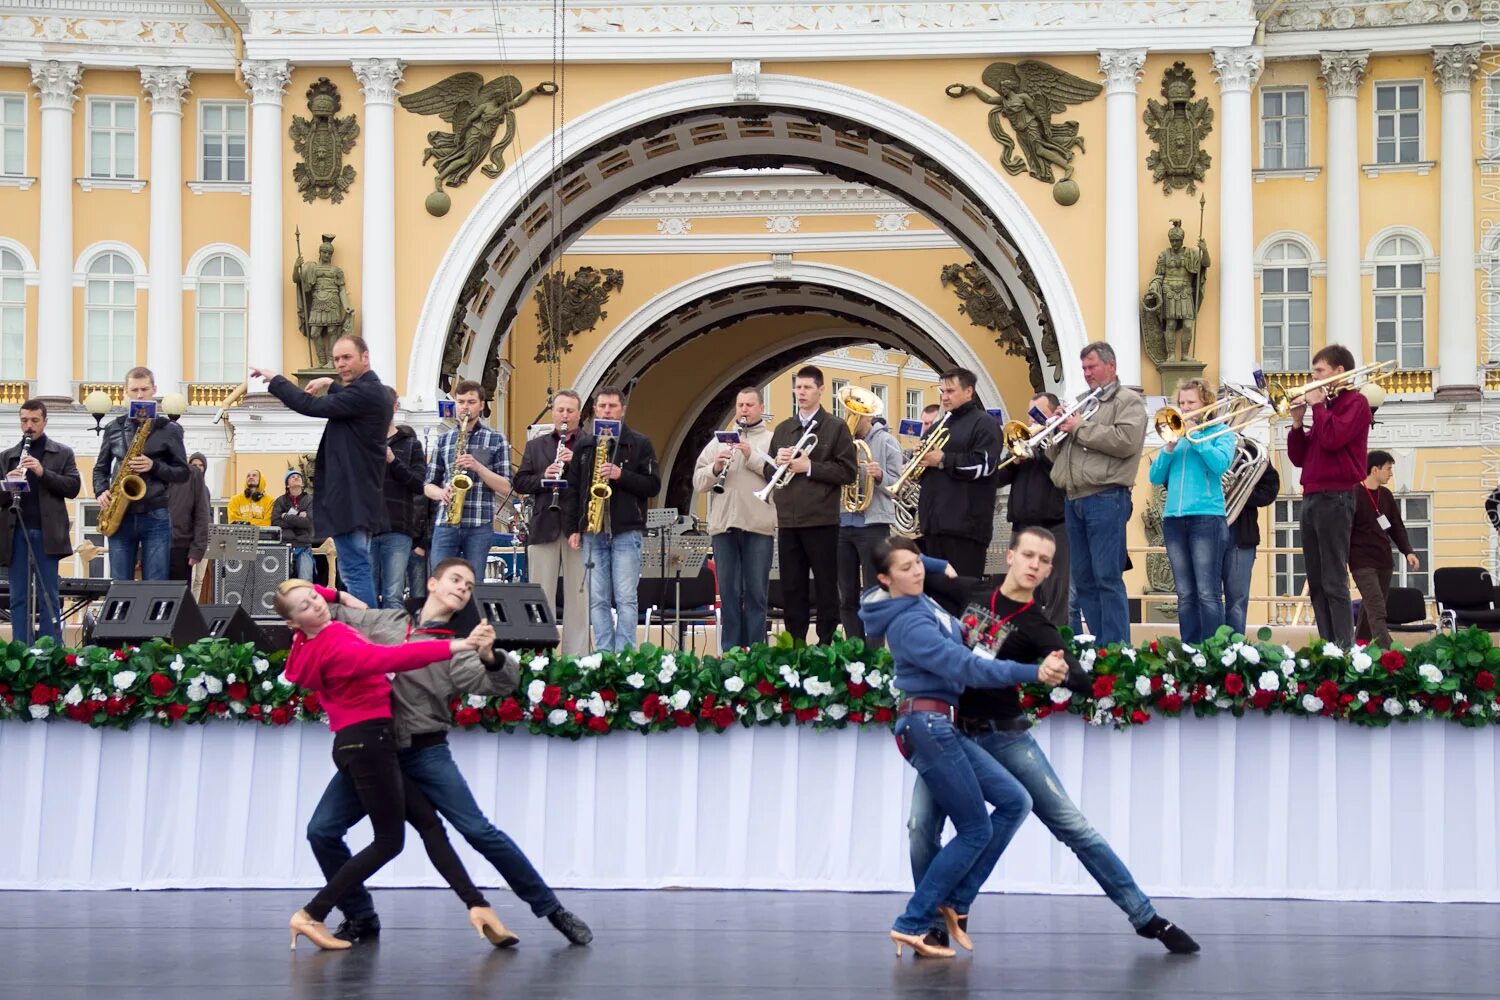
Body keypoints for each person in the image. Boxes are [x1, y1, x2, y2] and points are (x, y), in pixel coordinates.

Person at [913, 527, 1200, 955]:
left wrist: (1058, 669)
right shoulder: (972, 593)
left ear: (1049, 569)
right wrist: (940, 564)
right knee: (921, 827)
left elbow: (1084, 681)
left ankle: (1146, 917)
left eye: (1044, 560)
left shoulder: (1037, 625)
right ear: (1009, 557)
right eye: (1028, 555)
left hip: (1005, 737)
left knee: (1073, 827)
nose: (1035, 565)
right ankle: (937, 919)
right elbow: (907, 564)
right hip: (951, 736)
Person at [306, 557, 593, 947]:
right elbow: (317, 606)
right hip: (374, 752)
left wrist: (493, 656)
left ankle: (551, 909)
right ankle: (360, 915)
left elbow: (501, 683)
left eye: (469, 586)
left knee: (477, 830)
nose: (462, 588)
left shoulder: (457, 649)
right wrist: (336, 592)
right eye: (456, 579)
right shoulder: (384, 622)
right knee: (321, 831)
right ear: (432, 583)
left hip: (424, 753)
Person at [275, 578, 514, 952]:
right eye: (306, 607)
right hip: (368, 744)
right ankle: (311, 913)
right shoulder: (334, 643)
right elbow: (395, 658)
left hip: (370, 742)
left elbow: (311, 597)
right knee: (388, 842)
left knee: (430, 825)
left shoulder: (307, 641)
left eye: (314, 598)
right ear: (294, 623)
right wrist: (459, 645)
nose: (316, 606)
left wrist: (333, 594)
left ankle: (478, 906)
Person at [859, 535, 1066, 960]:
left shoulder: (913, 595)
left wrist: (933, 562)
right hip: (927, 726)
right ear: (885, 579)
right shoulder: (908, 623)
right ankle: (914, 922)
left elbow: (919, 568)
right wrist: (1033, 671)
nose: (916, 572)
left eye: (917, 564)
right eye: (905, 569)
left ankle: (955, 902)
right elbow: (966, 666)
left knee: (1014, 800)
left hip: (939, 725)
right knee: (972, 829)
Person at [251, 336, 390, 608]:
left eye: (347, 357)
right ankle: (366, 627)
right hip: (355, 496)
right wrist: (330, 383)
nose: (340, 364)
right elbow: (348, 402)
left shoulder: (367, 392)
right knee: (354, 568)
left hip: (351, 497)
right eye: (337, 359)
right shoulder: (369, 392)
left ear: (365, 357)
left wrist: (277, 380)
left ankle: (367, 629)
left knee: (355, 569)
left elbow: (310, 405)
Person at [1046, 343, 1147, 645]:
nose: (1087, 373)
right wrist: (1056, 430)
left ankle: (1116, 648)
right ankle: (1100, 644)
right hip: (1074, 498)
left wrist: (1078, 427)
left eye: (1092, 367)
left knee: (1107, 577)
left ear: (1111, 366)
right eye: (1084, 368)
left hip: (1106, 497)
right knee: (1085, 579)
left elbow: (1125, 441)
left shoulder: (1128, 401)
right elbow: (1056, 457)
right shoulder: (1082, 403)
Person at [562, 386, 660, 653]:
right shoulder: (585, 444)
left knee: (626, 598)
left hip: (626, 531)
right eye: (602, 406)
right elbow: (572, 490)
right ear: (595, 410)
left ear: (622, 410)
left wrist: (620, 475)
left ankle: (626, 655)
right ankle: (604, 654)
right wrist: (573, 528)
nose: (607, 411)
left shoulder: (639, 443)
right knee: (597, 599)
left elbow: (653, 485)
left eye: (612, 406)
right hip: (592, 530)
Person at [1286, 344, 1371, 646]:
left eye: (1319, 372)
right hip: (1312, 497)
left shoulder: (1356, 403)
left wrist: (1318, 407)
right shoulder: (1328, 408)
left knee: (1334, 579)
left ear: (1339, 371)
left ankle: (1344, 647)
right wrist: (1297, 422)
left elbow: (1334, 439)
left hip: (1336, 497)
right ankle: (1327, 644)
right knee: (1317, 581)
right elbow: (1299, 457)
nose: (1313, 378)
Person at [767, 365, 857, 645]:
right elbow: (770, 475)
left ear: (820, 390)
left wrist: (809, 467)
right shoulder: (783, 429)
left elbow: (847, 472)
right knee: (792, 587)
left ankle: (826, 642)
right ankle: (795, 643)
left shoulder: (836, 427)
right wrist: (778, 462)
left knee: (826, 586)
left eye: (807, 387)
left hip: (822, 521)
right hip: (789, 521)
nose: (801, 392)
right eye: (798, 387)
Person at [1147, 378, 1235, 644]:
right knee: (1184, 594)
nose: (1184, 408)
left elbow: (1220, 464)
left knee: (1207, 592)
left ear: (1205, 403)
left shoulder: (1221, 432)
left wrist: (1197, 437)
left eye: (1191, 403)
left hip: (1207, 517)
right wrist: (1169, 448)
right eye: (1182, 403)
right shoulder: (1175, 436)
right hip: (1174, 519)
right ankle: (1190, 650)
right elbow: (1155, 476)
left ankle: (1213, 650)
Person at [691, 387, 777, 652]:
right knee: (728, 596)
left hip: (758, 526)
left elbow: (778, 476)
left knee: (756, 596)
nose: (744, 409)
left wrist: (750, 456)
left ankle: (756, 655)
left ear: (761, 407)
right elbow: (698, 481)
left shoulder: (772, 440)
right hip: (724, 527)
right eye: (740, 405)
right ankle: (730, 655)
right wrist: (716, 467)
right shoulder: (719, 442)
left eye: (750, 405)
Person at [94, 367, 190, 581]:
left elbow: (183, 473)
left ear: (154, 390)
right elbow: (100, 468)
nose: (139, 395)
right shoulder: (113, 428)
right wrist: (101, 491)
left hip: (155, 514)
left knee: (155, 583)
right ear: (126, 391)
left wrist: (153, 466)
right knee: (120, 582)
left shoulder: (169, 429)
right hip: (120, 514)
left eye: (144, 389)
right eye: (134, 390)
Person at [514, 391, 587, 655]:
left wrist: (576, 463)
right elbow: (520, 482)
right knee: (540, 594)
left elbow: (594, 486)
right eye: (560, 410)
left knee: (579, 598)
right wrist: (545, 476)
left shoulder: (588, 445)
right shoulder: (537, 446)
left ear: (579, 414)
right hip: (544, 525)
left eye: (570, 411)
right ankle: (539, 656)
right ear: (553, 413)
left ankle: (576, 658)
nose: (564, 415)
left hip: (578, 529)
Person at [1, 400, 80, 644]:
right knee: (19, 597)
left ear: (45, 421)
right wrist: (7, 482)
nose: (29, 426)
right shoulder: (7, 456)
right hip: (16, 534)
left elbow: (73, 487)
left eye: (34, 420)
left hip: (47, 534)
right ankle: (22, 650)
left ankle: (50, 652)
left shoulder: (62, 453)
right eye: (24, 420)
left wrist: (43, 472)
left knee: (48, 595)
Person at [915, 368, 1004, 577]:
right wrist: (918, 465)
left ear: (968, 391)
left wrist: (943, 460)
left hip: (965, 530)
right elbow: (927, 470)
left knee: (962, 593)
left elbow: (984, 465)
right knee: (936, 598)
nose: (944, 397)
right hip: (933, 527)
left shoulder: (985, 424)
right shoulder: (937, 426)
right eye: (942, 391)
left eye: (950, 391)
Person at [994, 392, 1070, 627]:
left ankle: (1057, 643)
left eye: (1037, 414)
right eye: (1030, 415)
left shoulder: (1062, 442)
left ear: (1053, 414)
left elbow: (1062, 476)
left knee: (1056, 591)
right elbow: (997, 477)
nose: (1032, 420)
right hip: (1022, 527)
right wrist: (1016, 459)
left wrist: (1044, 450)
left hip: (1054, 526)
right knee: (1020, 589)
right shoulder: (1023, 441)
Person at [426, 380, 513, 574]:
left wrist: (478, 467)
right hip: (446, 523)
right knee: (440, 581)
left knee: (474, 585)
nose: (465, 407)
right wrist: (440, 492)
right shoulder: (444, 439)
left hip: (479, 524)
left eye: (471, 402)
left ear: (481, 405)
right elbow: (427, 484)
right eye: (461, 401)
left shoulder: (496, 439)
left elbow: (507, 486)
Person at [837, 413, 903, 642]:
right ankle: (853, 647)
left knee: (875, 592)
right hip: (843, 524)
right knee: (846, 594)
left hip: (873, 524)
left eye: (856, 415)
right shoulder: (842, 441)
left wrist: (880, 475)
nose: (851, 419)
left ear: (869, 416)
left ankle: (874, 650)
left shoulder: (887, 441)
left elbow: (899, 484)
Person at [1349, 450, 1418, 649]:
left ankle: (1359, 647)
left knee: (1369, 606)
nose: (1391, 473)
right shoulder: (1354, 494)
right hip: (1361, 562)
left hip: (1384, 561)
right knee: (1377, 606)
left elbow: (1396, 526)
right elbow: (1344, 531)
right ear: (1374, 469)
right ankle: (1388, 650)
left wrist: (1408, 551)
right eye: (1388, 469)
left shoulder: (1385, 495)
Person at [373, 387, 428, 609]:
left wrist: (393, 460)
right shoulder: (361, 442)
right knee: (364, 595)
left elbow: (417, 484)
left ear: (395, 408)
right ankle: (366, 643)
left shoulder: (411, 444)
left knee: (393, 595)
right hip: (365, 527)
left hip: (397, 528)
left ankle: (394, 643)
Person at [1222, 462, 1279, 637]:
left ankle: (1234, 651)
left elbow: (1270, 489)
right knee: (1207, 598)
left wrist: (1240, 491)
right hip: (1206, 533)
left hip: (1241, 536)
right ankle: (1209, 651)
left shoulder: (1251, 452)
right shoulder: (1202, 445)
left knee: (1237, 601)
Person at [166, 455, 210, 584]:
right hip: (155, 546)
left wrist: (197, 548)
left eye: (201, 465)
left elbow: (202, 515)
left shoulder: (193, 478)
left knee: (192, 585)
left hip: (180, 546)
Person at [272, 470, 317, 581]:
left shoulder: (310, 500)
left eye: (299, 476)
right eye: (292, 477)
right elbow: (275, 523)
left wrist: (286, 516)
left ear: (302, 483)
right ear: (287, 485)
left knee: (305, 580)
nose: (296, 477)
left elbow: (309, 523)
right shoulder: (280, 501)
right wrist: (299, 518)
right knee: (280, 581)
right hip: (284, 547)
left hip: (304, 546)